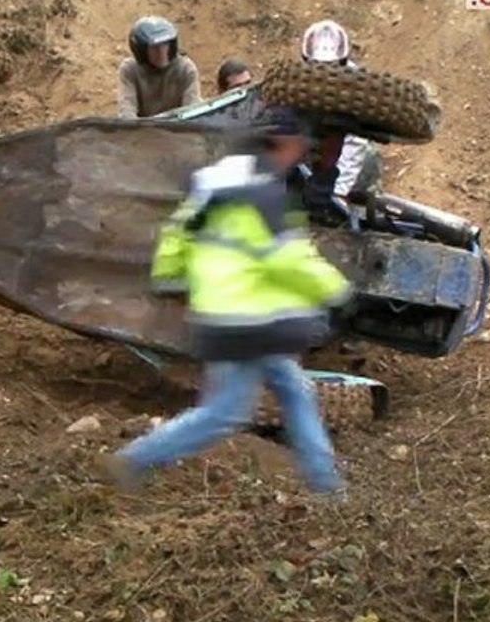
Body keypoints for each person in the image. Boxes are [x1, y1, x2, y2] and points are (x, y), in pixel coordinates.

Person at [95, 105, 352, 496]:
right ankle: (135, 459)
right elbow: (288, 259)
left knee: (296, 390)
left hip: (228, 314)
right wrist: (337, 291)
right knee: (223, 413)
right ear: (282, 143)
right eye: (298, 148)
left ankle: (327, 486)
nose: (300, 156)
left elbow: (178, 231)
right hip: (250, 321)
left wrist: (169, 275)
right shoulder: (264, 190)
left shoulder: (215, 179)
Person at [299, 19, 382, 207]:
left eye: (332, 67)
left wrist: (339, 192)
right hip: (311, 146)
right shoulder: (298, 79)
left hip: (346, 152)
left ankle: (362, 212)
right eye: (318, 67)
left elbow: (355, 142)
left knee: (369, 159)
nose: (325, 73)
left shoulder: (356, 87)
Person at [117, 16, 202, 118]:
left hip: (178, 128)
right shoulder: (130, 69)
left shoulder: (185, 69)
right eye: (154, 48)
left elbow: (192, 109)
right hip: (143, 129)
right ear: (141, 50)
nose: (161, 52)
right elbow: (127, 108)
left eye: (165, 45)